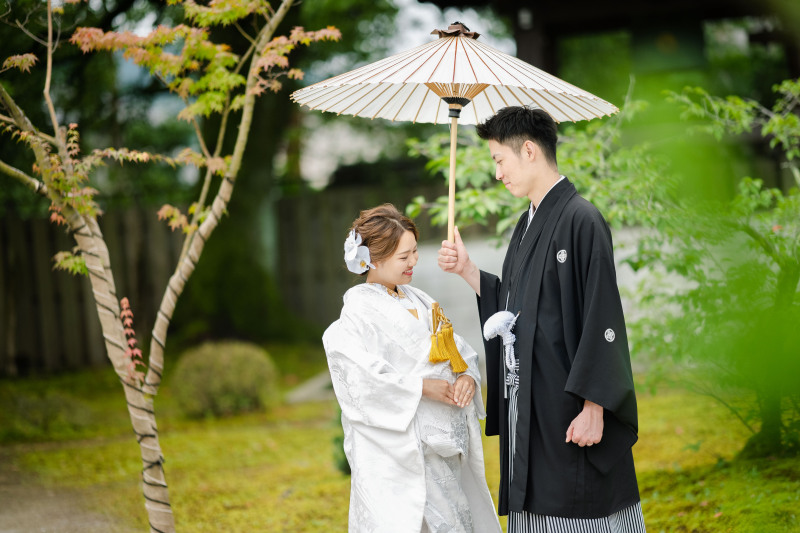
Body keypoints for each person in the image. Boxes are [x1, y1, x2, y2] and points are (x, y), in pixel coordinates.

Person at [437, 106, 646, 532]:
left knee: (579, 505)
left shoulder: (582, 220)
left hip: (568, 401)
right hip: (528, 399)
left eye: (499, 159)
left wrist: (595, 405)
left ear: (529, 150)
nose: (497, 173)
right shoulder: (526, 222)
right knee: (535, 503)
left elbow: (602, 316)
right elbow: (515, 306)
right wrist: (469, 271)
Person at [322, 204, 502, 533]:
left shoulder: (418, 299)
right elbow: (358, 374)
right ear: (373, 259)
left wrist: (466, 377)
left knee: (454, 520)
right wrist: (420, 386)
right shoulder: (359, 309)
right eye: (404, 257)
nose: (414, 262)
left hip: (443, 442)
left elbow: (456, 348)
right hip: (403, 447)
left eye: (415, 252)